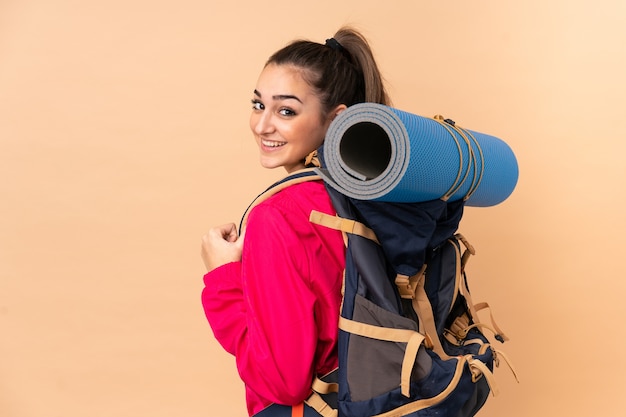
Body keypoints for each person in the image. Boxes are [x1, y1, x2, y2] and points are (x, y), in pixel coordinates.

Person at [200, 27, 390, 416]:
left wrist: (222, 277)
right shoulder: (377, 191)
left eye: (286, 111)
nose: (262, 125)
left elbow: (283, 383)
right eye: (258, 105)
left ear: (335, 119)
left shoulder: (278, 218)